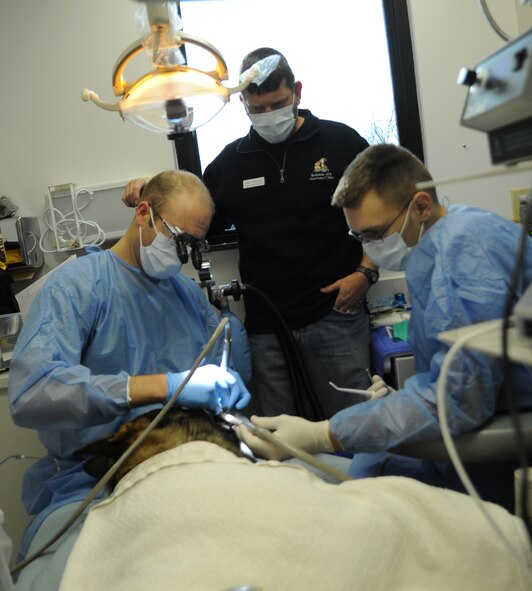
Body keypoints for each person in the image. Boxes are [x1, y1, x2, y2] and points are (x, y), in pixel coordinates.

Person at [237, 143, 532, 509]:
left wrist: (322, 433)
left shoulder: (465, 255)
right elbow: (459, 377)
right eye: (359, 237)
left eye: (375, 234)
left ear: (420, 206)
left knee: (309, 489)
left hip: (491, 462)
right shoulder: (451, 236)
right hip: (471, 430)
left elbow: (460, 402)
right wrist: (403, 399)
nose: (369, 247)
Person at [8, 170, 251, 590]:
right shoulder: (77, 287)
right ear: (144, 214)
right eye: (179, 239)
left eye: (195, 245)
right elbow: (33, 393)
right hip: (97, 480)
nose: (185, 254)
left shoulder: (187, 295)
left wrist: (227, 382)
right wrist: (159, 386)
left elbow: (223, 352)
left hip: (190, 465)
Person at [125, 47, 377, 419]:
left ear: (298, 93)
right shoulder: (230, 163)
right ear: (242, 101)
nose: (268, 115)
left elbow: (386, 214)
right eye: (257, 109)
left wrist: (365, 273)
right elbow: (192, 219)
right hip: (266, 325)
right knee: (277, 435)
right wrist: (150, 193)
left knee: (355, 423)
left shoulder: (341, 144)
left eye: (278, 104)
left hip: (336, 315)